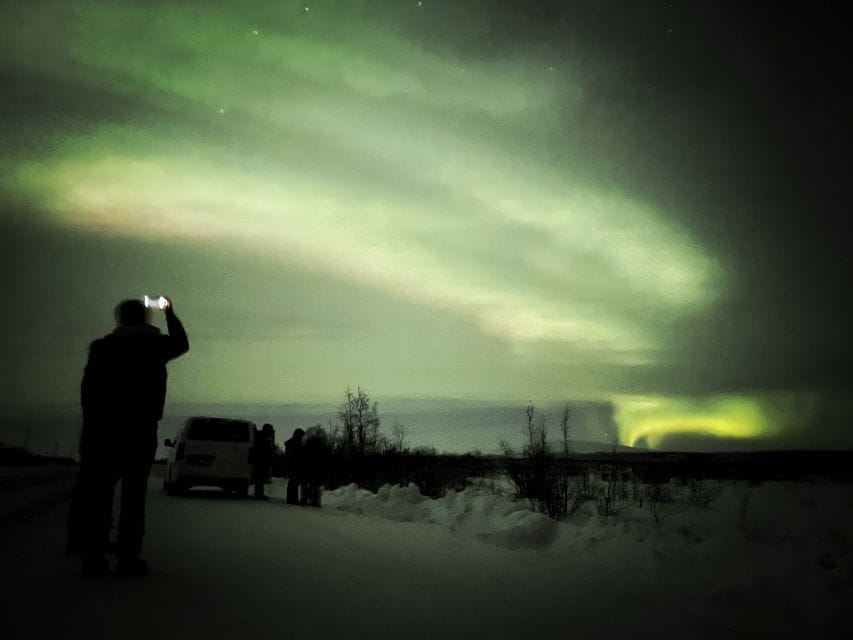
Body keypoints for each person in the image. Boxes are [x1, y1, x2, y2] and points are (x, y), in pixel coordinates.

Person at [74, 296, 189, 577]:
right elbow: (182, 344)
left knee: (99, 496)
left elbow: (88, 393)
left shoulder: (102, 348)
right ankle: (127, 558)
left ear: (120, 319)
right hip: (139, 431)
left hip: (102, 432)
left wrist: (89, 433)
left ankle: (94, 558)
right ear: (145, 318)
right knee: (133, 497)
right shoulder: (154, 345)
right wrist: (169, 313)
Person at [300, 426, 327, 507]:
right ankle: (315, 501)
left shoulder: (307, 444)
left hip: (309, 467)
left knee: (307, 484)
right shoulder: (320, 445)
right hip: (316, 468)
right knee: (315, 485)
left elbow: (305, 456)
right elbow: (322, 457)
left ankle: (304, 499)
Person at [251, 424, 275, 500]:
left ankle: (259, 494)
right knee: (260, 479)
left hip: (260, 461)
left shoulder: (260, 437)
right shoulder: (262, 438)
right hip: (261, 461)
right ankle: (259, 494)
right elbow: (264, 451)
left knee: (260, 479)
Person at [284, 428, 304, 505]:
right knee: (293, 483)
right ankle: (292, 499)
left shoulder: (292, 443)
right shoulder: (294, 444)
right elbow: (295, 456)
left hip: (292, 466)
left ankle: (291, 499)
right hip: (294, 466)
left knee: (293, 483)